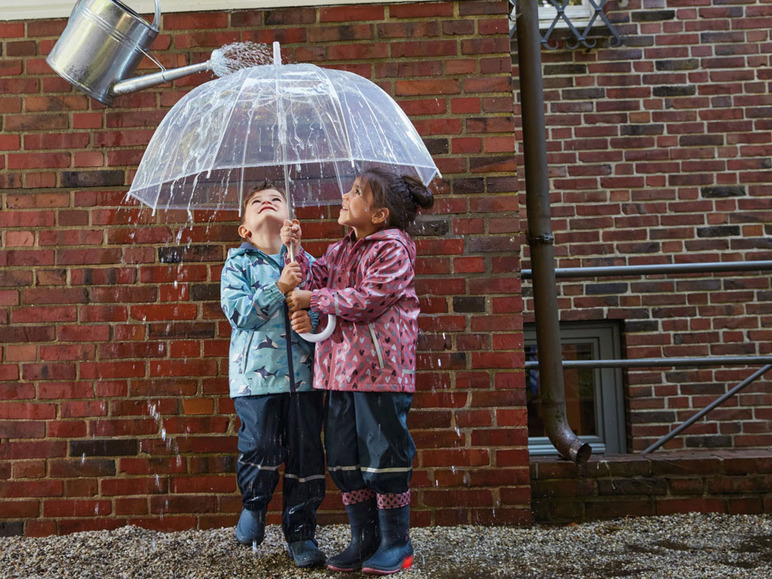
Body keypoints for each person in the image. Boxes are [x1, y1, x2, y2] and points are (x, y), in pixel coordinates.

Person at [282, 167, 434, 575]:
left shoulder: (393, 249)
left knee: (383, 455)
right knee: (346, 458)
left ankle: (395, 543)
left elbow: (369, 299)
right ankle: (363, 540)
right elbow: (316, 279)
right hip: (338, 372)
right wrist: (295, 252)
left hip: (380, 374)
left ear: (379, 214)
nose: (344, 197)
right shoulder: (340, 249)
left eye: (355, 192)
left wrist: (313, 297)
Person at [220, 182, 326, 568]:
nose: (267, 202)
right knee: (261, 446)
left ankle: (301, 533)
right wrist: (279, 287)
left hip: (304, 379)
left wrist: (309, 315)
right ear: (245, 229)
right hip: (255, 381)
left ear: (289, 221)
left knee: (307, 455)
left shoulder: (305, 262)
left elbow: (327, 310)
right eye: (257, 201)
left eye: (276, 199)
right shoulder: (238, 264)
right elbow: (239, 314)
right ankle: (254, 504)